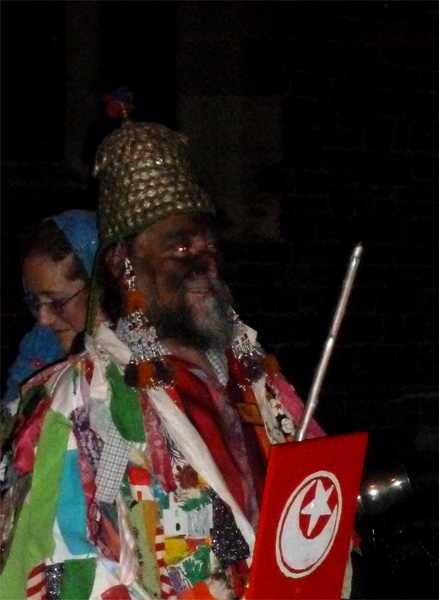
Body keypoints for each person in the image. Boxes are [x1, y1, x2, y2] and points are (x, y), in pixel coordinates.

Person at [0, 115, 326, 599]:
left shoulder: (256, 384)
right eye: (179, 246)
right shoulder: (81, 407)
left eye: (208, 243)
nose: (204, 262)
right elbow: (68, 573)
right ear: (122, 264)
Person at [1, 210, 99, 411]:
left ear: (99, 290)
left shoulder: (139, 364)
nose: (42, 319)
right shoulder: (37, 351)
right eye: (35, 301)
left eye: (57, 302)